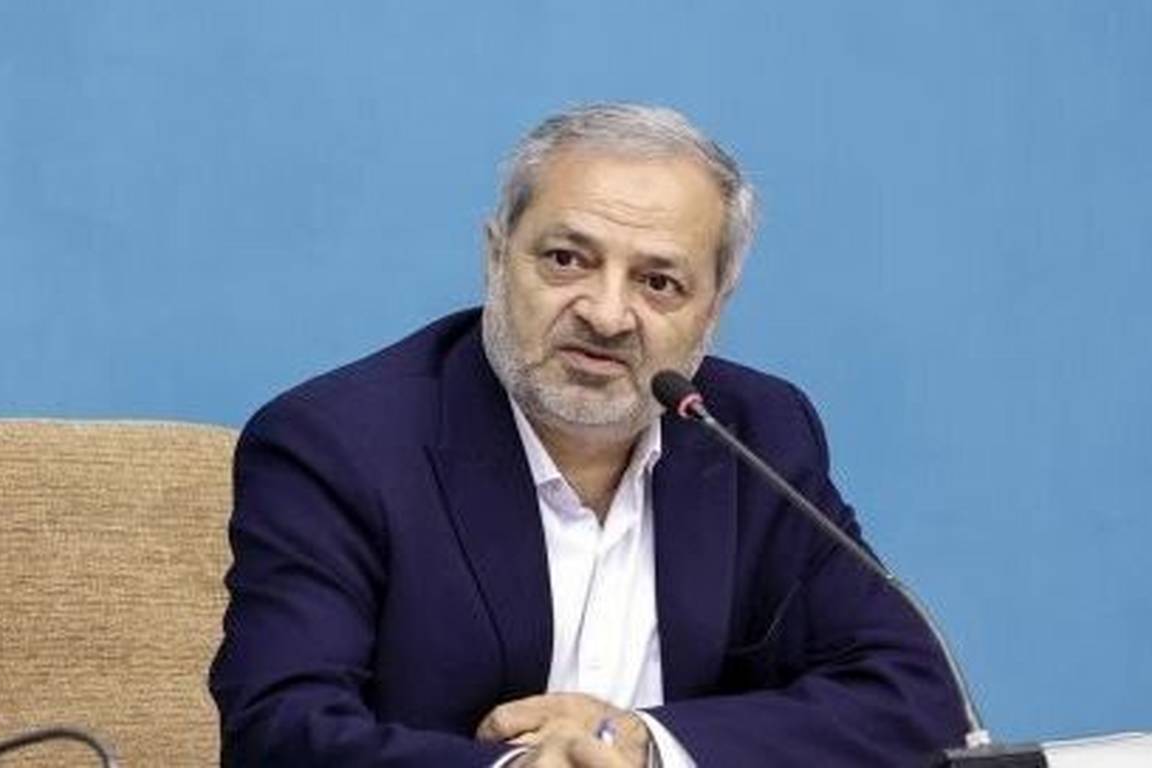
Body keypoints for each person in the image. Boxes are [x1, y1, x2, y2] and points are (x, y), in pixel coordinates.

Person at [209, 103, 966, 766]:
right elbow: (279, 732)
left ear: (714, 307)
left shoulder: (756, 432)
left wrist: (645, 745)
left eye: (658, 282)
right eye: (567, 260)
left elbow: (917, 697)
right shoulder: (336, 444)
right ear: (495, 257)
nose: (606, 315)